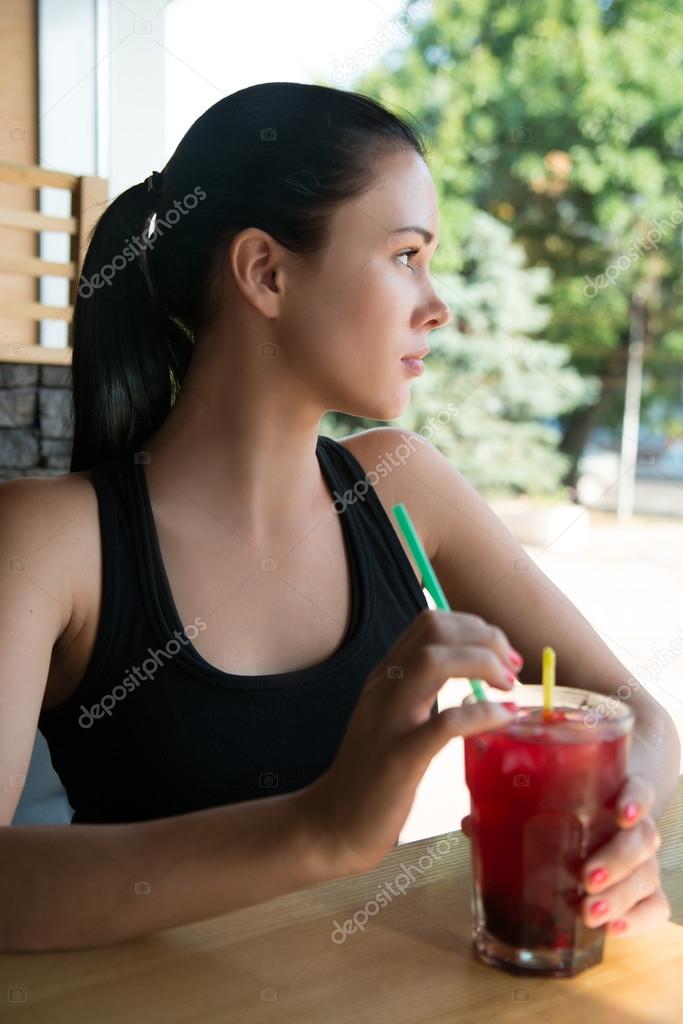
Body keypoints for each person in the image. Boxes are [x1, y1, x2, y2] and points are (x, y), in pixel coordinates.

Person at [0, 83, 677, 953]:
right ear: (266, 273)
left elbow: (641, 718)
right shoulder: (49, 540)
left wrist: (617, 828)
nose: (436, 306)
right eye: (404, 255)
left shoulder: (401, 485)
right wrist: (318, 831)